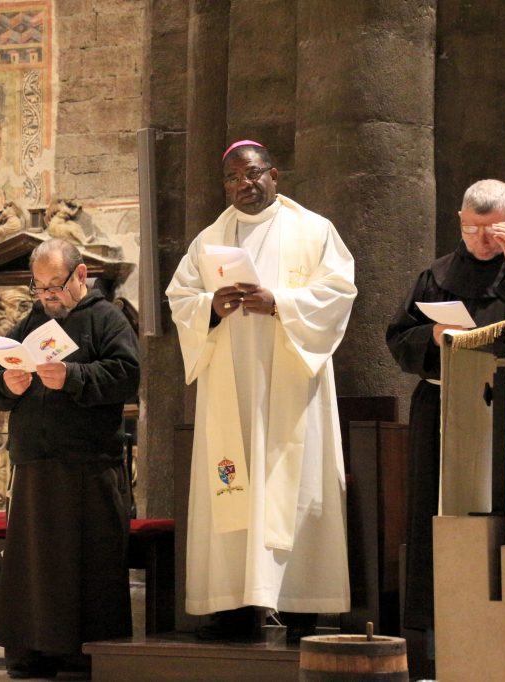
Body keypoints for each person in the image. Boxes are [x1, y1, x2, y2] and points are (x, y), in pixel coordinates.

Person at [166, 140, 357, 642]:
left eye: (252, 174)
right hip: (229, 386)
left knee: (294, 485)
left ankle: (300, 607)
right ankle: (231, 607)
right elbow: (180, 297)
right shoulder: (209, 240)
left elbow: (339, 292)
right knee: (232, 485)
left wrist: (280, 303)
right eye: (232, 178)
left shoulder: (314, 231)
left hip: (291, 385)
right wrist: (211, 306)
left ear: (274, 176)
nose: (243, 185)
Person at [386, 179, 505, 639]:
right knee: (437, 514)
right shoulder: (437, 275)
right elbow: (398, 338)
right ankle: (435, 635)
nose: (479, 241)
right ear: (460, 220)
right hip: (443, 406)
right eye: (470, 230)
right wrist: (432, 336)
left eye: (492, 231)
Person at [0, 238, 140, 679]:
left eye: (55, 284)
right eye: (39, 286)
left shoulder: (107, 318)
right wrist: (7, 385)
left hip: (88, 467)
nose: (48, 295)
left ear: (81, 274)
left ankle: (81, 654)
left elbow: (127, 375)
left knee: (86, 565)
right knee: (34, 566)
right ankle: (30, 652)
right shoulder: (30, 323)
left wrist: (73, 376)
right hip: (34, 466)